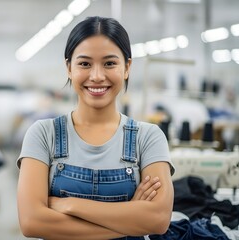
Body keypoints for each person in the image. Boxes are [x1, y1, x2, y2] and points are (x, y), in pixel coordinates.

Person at [16, 16, 175, 240]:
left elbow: (158, 219)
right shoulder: (43, 134)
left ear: (127, 67)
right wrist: (131, 220)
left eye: (110, 63)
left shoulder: (148, 137)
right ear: (69, 67)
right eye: (85, 63)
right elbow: (32, 222)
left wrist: (71, 205)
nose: (97, 76)